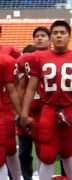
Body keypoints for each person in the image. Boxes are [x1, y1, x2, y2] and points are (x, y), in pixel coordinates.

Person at [20, 20, 72, 180]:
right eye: (55, 33)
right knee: (47, 154)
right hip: (49, 108)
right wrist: (24, 112)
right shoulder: (39, 57)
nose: (58, 36)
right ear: (51, 38)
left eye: (62, 33)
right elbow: (30, 88)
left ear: (69, 36)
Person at [0, 43, 22, 180]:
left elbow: (12, 89)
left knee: (9, 149)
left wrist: (20, 112)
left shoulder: (6, 59)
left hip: (3, 110)